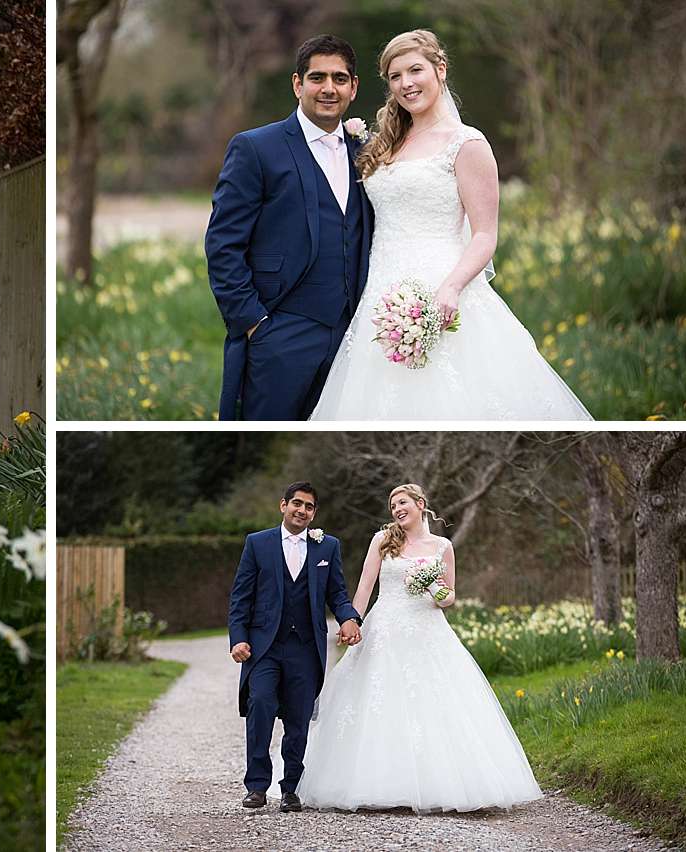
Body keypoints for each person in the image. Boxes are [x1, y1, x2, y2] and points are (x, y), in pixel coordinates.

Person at [309, 30, 590, 419]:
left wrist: (451, 288)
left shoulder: (467, 144)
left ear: (440, 70)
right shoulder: (386, 143)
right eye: (395, 76)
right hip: (380, 291)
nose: (406, 83)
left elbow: (486, 234)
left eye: (415, 70)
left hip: (442, 289)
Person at [296, 483, 543, 811]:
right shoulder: (382, 540)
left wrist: (439, 592)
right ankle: (375, 782)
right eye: (392, 506)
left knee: (434, 700)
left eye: (402, 503)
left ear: (420, 504)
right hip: (384, 627)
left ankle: (439, 783)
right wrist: (350, 622)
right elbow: (366, 586)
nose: (397, 509)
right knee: (378, 698)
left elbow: (450, 596)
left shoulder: (443, 546)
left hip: (428, 629)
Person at [206, 35, 373, 421]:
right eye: (317, 78)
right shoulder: (255, 148)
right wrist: (254, 323)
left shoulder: (366, 151)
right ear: (298, 84)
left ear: (354, 86)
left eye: (339, 78)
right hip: (279, 333)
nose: (329, 88)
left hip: (351, 337)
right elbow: (222, 243)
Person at [227, 482, 363, 811]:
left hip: (305, 646)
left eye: (309, 507)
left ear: (314, 513)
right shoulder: (257, 544)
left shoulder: (326, 547)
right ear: (283, 505)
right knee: (260, 705)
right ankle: (257, 786)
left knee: (299, 718)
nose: (302, 510)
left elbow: (338, 594)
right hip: (264, 646)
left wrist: (349, 618)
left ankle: (290, 788)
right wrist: (239, 638)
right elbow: (240, 597)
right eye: (297, 504)